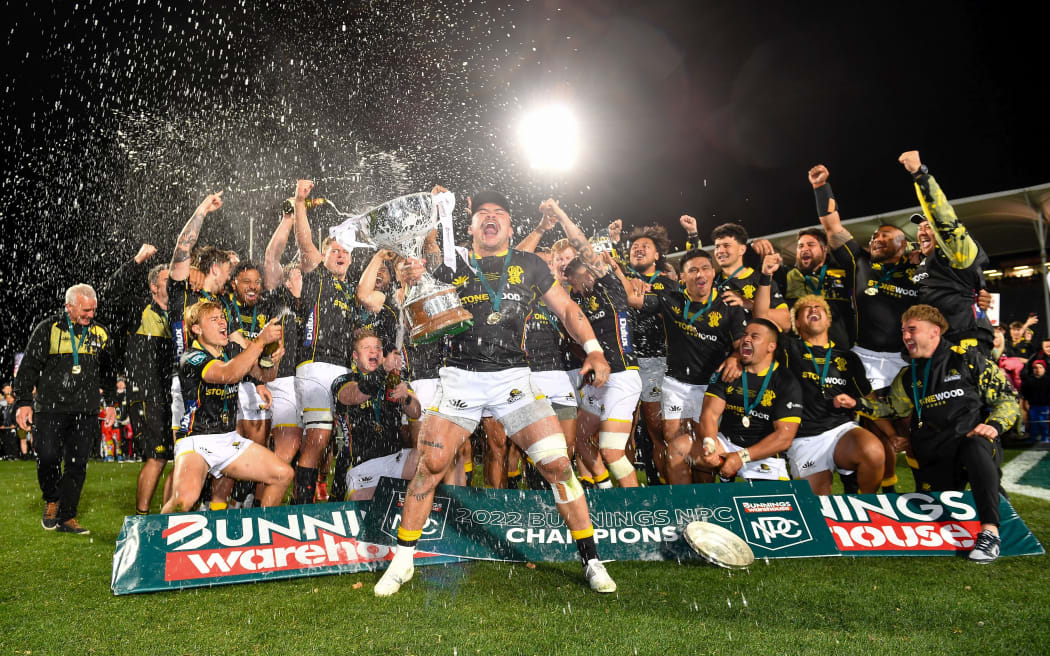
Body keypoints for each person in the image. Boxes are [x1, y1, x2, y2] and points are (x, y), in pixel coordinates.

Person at [375, 188, 616, 596]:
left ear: (509, 224)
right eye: (482, 213)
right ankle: (402, 560)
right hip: (460, 377)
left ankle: (592, 559)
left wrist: (594, 350)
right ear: (469, 226)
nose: (490, 218)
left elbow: (569, 312)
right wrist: (408, 277)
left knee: (558, 464)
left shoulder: (531, 263)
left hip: (514, 379)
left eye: (499, 213)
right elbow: (412, 292)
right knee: (430, 464)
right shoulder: (451, 262)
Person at [867, 304, 1019, 562]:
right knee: (934, 516)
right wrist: (856, 403)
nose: (905, 336)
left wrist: (994, 425)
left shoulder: (969, 359)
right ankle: (993, 498)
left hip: (973, 445)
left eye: (912, 329)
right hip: (935, 455)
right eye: (903, 331)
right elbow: (892, 407)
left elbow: (1007, 399)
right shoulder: (907, 375)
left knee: (977, 446)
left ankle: (990, 533)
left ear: (934, 332)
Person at [808, 163, 921, 492]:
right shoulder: (859, 261)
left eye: (885, 236)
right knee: (874, 429)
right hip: (865, 359)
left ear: (903, 245)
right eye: (874, 236)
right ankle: (881, 496)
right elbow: (832, 227)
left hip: (904, 360)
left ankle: (930, 489)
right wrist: (820, 188)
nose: (876, 240)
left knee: (913, 429)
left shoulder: (917, 274)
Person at [162, 300, 293, 512]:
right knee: (183, 501)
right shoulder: (191, 357)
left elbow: (266, 375)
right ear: (197, 329)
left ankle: (260, 533)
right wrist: (259, 342)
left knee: (283, 474)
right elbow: (227, 374)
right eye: (213, 319)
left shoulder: (230, 353)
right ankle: (157, 541)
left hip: (228, 439)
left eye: (222, 317)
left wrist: (272, 358)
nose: (222, 322)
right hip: (197, 440)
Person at [628, 248, 746, 485]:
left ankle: (706, 498)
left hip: (712, 388)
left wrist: (735, 357)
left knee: (704, 447)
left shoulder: (728, 303)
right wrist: (629, 280)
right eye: (693, 270)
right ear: (682, 277)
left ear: (713, 272)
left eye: (704, 268)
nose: (699, 274)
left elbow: (742, 346)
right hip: (675, 383)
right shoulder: (671, 300)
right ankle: (682, 501)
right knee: (674, 442)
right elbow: (632, 299)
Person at [549, 199, 643, 488]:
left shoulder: (608, 284)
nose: (574, 289)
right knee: (580, 440)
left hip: (623, 377)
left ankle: (638, 507)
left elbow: (578, 241)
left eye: (575, 282)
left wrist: (561, 214)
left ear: (588, 272)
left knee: (613, 452)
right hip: (597, 378)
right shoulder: (579, 298)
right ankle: (605, 495)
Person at [15, 284, 117, 535]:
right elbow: (28, 367)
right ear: (68, 307)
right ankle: (52, 498)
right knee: (47, 456)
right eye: (85, 310)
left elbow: (109, 372)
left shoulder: (101, 332)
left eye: (93, 310)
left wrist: (112, 403)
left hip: (86, 410)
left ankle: (67, 516)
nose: (90, 315)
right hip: (50, 409)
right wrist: (23, 401)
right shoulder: (48, 329)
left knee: (77, 464)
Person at [290, 179, 365, 504]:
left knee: (351, 440)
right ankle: (300, 507)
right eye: (334, 250)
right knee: (318, 438)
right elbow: (304, 241)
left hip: (344, 371)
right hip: (316, 366)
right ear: (324, 255)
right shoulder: (318, 277)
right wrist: (299, 203)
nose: (341, 255)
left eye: (346, 252)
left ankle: (337, 504)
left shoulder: (353, 292)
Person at [776, 295, 885, 493]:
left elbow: (870, 400)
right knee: (817, 503)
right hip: (803, 437)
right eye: (806, 309)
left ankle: (862, 503)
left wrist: (891, 433)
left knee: (873, 452)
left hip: (840, 430)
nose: (813, 310)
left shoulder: (848, 358)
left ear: (828, 320)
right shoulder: (787, 348)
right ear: (797, 322)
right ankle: (846, 475)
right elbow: (761, 328)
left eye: (819, 308)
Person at [900, 150, 994, 354]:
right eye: (920, 228)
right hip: (933, 345)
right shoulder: (919, 258)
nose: (923, 231)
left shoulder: (958, 252)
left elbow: (943, 218)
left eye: (929, 227)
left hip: (965, 342)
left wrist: (919, 175)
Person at [694, 318, 802, 481]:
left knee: (768, 506)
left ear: (770, 347)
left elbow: (784, 438)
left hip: (763, 454)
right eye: (745, 334)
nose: (746, 339)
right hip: (725, 443)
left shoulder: (786, 381)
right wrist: (709, 444)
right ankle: (702, 503)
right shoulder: (729, 370)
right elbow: (709, 414)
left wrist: (740, 457)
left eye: (754, 336)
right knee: (681, 447)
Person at [329, 329, 422, 501]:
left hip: (395, 460)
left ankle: (428, 514)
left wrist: (406, 397)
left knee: (428, 456)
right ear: (355, 356)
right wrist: (383, 371)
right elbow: (357, 395)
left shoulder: (394, 380)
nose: (374, 351)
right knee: (369, 512)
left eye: (378, 348)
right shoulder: (343, 381)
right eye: (367, 348)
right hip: (361, 465)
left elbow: (416, 412)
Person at [621, 223, 679, 484]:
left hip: (657, 361)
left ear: (657, 255)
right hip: (624, 362)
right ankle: (630, 495)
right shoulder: (619, 280)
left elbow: (662, 311)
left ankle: (664, 487)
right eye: (634, 247)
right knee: (623, 431)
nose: (638, 249)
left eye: (645, 246)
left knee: (657, 431)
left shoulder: (668, 284)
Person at [781, 228, 855, 347]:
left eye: (810, 245)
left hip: (840, 349)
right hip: (801, 352)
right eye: (800, 246)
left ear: (824, 249)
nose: (804, 249)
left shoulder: (843, 272)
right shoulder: (786, 275)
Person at [710, 222, 791, 330]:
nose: (720, 251)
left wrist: (749, 304)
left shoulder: (762, 279)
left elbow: (786, 324)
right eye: (717, 246)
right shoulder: (712, 284)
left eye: (726, 246)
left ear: (742, 250)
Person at [1020, 360, 1050, 444]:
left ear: (1044, 369)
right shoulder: (1028, 381)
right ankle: (1033, 437)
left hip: (1044, 405)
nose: (1038, 370)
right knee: (1033, 423)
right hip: (1033, 405)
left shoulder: (1048, 380)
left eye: (1040, 367)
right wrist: (1025, 403)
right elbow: (1025, 394)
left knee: (1043, 422)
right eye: (1035, 368)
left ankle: (1045, 436)